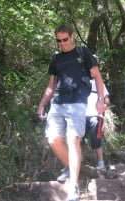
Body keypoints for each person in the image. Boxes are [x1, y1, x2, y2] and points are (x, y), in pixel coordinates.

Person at [37, 24, 105, 201]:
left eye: (65, 39)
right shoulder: (56, 58)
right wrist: (41, 105)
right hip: (58, 102)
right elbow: (51, 85)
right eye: (58, 41)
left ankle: (73, 187)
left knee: (73, 139)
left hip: (77, 101)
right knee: (53, 139)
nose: (62, 43)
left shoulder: (83, 53)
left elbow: (97, 75)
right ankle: (70, 165)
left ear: (72, 37)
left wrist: (101, 100)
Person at [57, 79, 110, 182]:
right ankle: (74, 165)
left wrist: (105, 105)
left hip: (96, 114)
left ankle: (101, 163)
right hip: (80, 115)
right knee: (76, 140)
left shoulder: (99, 82)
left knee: (96, 139)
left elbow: (106, 97)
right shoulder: (78, 80)